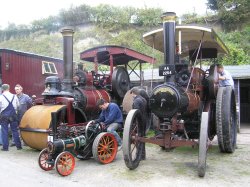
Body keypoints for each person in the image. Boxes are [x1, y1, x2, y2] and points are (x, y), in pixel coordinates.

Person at [0, 84, 22, 151]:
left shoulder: (1, 97)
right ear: (9, 88)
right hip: (13, 115)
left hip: (4, 116)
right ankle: (19, 146)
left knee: (4, 131)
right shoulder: (14, 96)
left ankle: (5, 148)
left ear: (2, 89)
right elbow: (18, 106)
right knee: (15, 130)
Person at [130, 87, 148, 160]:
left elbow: (136, 112)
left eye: (132, 94)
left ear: (134, 93)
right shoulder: (143, 99)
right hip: (144, 120)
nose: (132, 95)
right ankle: (143, 155)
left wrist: (133, 122)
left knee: (139, 138)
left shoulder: (137, 100)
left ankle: (139, 155)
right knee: (142, 137)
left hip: (139, 121)